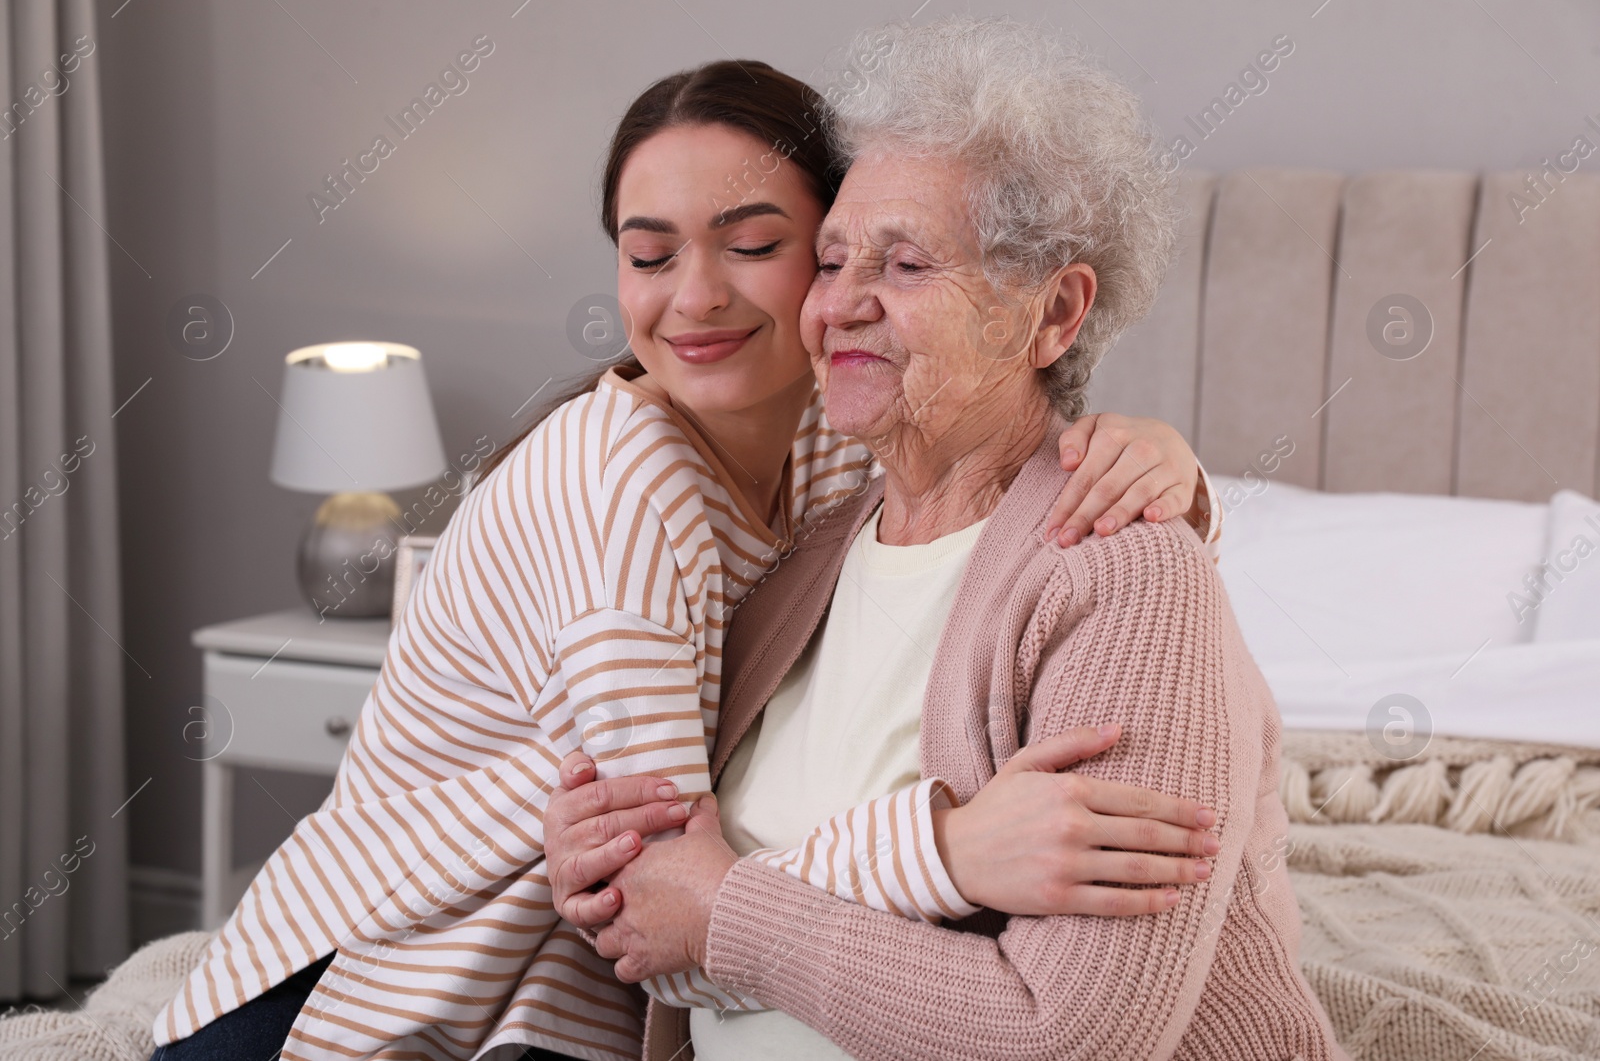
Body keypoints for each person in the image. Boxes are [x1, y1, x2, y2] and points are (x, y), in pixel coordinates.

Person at [149, 55, 1221, 1061]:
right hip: (382, 994)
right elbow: (668, 898)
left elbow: (996, 481)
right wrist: (942, 847)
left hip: (557, 993)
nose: (695, 296)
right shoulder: (619, 490)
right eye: (648, 255)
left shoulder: (828, 438)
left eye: (755, 245)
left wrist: (1164, 474)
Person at [546, 17, 1350, 1061]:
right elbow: (688, 883)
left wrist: (725, 911)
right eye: (831, 261)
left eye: (907, 263)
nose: (840, 306)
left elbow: (1072, 1033)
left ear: (1052, 313)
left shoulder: (1129, 574)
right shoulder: (803, 554)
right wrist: (605, 871)